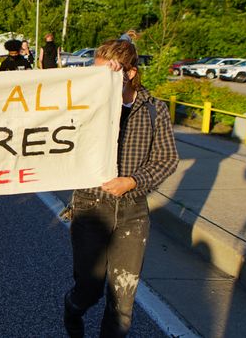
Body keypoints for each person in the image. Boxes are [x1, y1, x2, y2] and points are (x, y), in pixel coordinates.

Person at [62, 35, 179, 338]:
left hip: (132, 211)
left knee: (122, 303)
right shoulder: (86, 104)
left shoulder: (154, 109)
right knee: (89, 290)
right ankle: (73, 308)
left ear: (129, 73)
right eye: (95, 72)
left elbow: (167, 160)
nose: (99, 79)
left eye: (107, 73)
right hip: (91, 207)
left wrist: (134, 181)